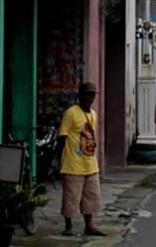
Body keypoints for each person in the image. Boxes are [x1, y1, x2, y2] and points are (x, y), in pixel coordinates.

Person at [58, 81, 106, 237]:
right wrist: (60, 162)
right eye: (87, 94)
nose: (90, 98)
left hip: (90, 163)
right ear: (80, 95)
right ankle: (68, 225)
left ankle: (89, 225)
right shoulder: (70, 113)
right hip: (73, 163)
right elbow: (62, 138)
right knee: (71, 197)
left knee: (91, 197)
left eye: (92, 95)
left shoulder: (93, 114)